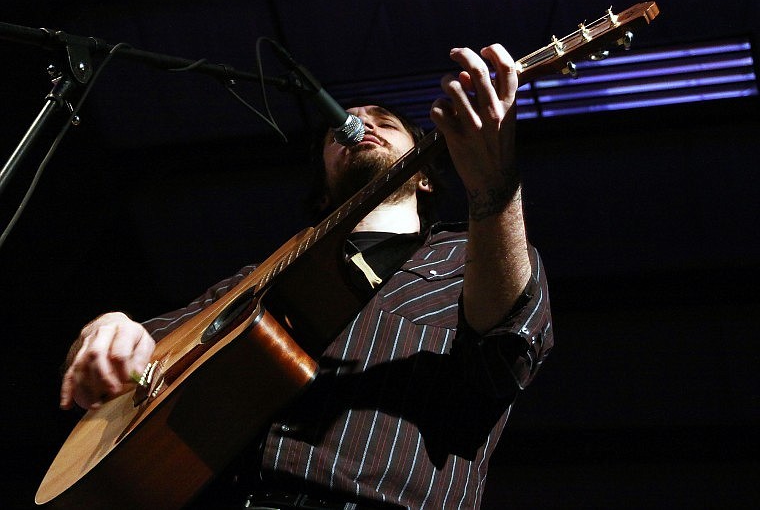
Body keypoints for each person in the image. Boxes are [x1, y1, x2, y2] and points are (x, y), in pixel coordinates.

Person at [59, 44, 553, 509]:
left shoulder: (468, 255)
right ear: (322, 190)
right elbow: (147, 351)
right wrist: (105, 328)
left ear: (425, 175)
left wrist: (493, 186)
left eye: (385, 123)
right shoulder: (259, 278)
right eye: (343, 129)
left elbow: (505, 350)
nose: (359, 127)